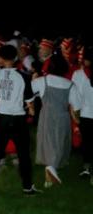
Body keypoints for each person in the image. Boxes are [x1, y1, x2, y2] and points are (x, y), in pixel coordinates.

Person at [0, 44, 39, 195]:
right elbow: (29, 100)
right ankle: (27, 187)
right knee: (24, 154)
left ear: (1, 58)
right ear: (16, 58)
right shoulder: (24, 76)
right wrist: (31, 109)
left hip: (2, 119)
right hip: (18, 118)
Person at [32, 54, 78, 187]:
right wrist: (77, 119)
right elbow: (76, 105)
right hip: (62, 116)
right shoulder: (70, 85)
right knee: (58, 142)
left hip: (46, 115)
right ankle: (51, 172)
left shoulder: (43, 81)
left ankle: (50, 170)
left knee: (48, 141)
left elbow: (28, 91)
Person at [71, 46, 93, 181]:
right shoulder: (79, 74)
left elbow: (75, 97)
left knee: (87, 142)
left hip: (85, 114)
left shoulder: (78, 75)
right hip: (86, 113)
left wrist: (75, 115)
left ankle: (86, 168)